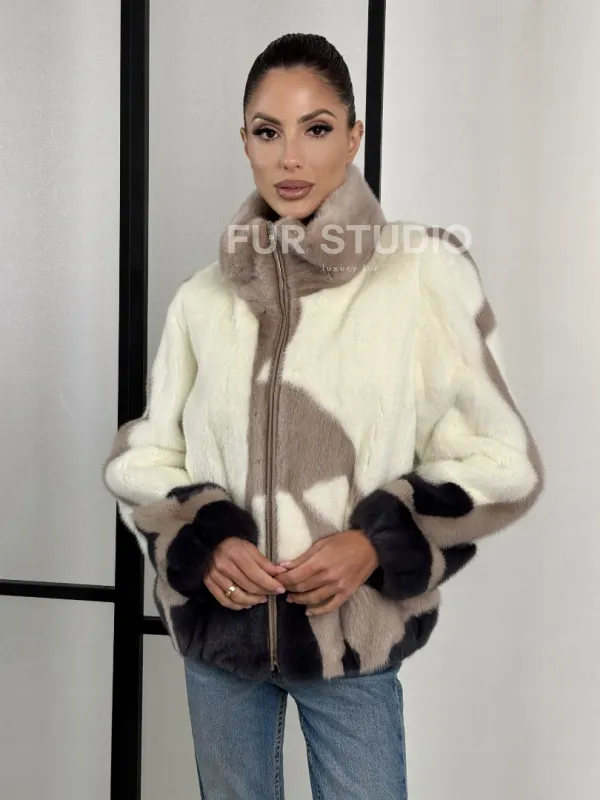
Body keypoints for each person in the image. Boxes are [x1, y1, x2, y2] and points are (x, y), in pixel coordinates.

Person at [102, 32, 545, 800]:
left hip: (352, 645)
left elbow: (499, 461)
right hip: (221, 643)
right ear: (245, 141)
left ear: (353, 136)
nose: (291, 158)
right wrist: (204, 538)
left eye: (316, 128)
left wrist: (376, 544)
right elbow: (145, 456)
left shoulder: (421, 275)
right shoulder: (204, 299)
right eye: (267, 131)